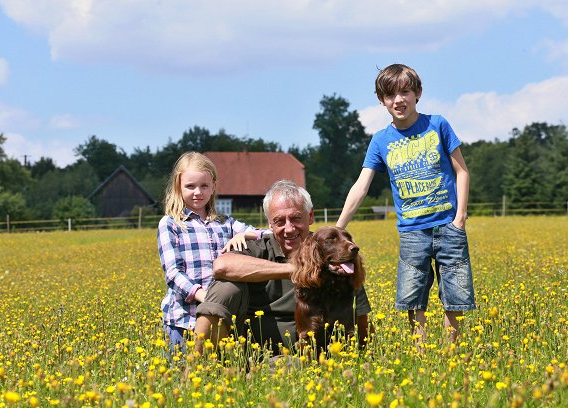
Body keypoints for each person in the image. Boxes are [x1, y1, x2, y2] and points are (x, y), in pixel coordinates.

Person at [336, 63, 475, 344]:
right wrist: (338, 228)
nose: (398, 100)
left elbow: (462, 172)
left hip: (449, 226)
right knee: (413, 296)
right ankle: (420, 352)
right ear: (381, 100)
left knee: (455, 294)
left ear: (418, 93)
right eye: (390, 95)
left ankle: (452, 354)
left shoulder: (438, 125)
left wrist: (459, 217)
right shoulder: (380, 141)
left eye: (405, 92)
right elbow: (361, 186)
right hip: (412, 231)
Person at [194, 180, 371, 354]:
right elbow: (222, 266)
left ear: (310, 216)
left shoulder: (332, 256)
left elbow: (362, 327)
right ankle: (201, 367)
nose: (289, 229)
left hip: (311, 360)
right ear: (270, 224)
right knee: (225, 287)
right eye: (279, 221)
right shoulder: (259, 248)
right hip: (251, 353)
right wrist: (296, 270)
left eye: (295, 218)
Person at [158, 151, 264, 359]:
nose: (198, 192)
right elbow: (172, 273)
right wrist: (203, 296)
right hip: (183, 320)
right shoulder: (171, 224)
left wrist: (243, 234)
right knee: (182, 379)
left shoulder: (226, 223)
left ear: (214, 186)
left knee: (218, 377)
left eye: (204, 186)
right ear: (178, 186)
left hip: (220, 318)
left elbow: (264, 234)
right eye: (190, 186)